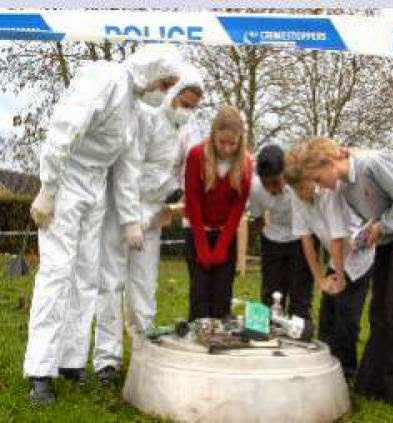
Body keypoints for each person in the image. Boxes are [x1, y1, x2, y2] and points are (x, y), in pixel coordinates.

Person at [24, 43, 183, 404]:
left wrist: (130, 221)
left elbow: (126, 166)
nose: (164, 91)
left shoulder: (134, 105)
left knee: (86, 274)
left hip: (94, 187)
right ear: (153, 73)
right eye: (165, 83)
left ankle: (70, 361)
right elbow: (64, 129)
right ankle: (39, 369)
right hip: (67, 180)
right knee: (57, 271)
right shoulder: (106, 79)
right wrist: (48, 188)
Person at [287, 137, 393, 404]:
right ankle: (372, 381)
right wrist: (369, 231)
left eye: (318, 178)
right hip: (385, 237)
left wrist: (382, 226)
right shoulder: (345, 188)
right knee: (378, 310)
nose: (319, 186)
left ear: (328, 163)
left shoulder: (372, 164)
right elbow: (373, 211)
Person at [89, 66, 204, 385]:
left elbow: (181, 172)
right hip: (121, 213)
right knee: (111, 283)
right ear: (172, 93)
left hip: (153, 217)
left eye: (194, 105)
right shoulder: (144, 118)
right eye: (185, 101)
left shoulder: (188, 129)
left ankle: (143, 352)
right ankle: (107, 361)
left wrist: (170, 203)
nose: (188, 109)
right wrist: (129, 219)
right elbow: (128, 170)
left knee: (144, 285)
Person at [284, 161, 374, 381]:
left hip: (357, 258)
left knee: (346, 319)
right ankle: (325, 368)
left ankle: (347, 374)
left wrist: (341, 278)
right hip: (337, 260)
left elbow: (336, 238)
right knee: (327, 318)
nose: (301, 192)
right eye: (295, 189)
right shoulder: (296, 197)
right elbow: (306, 241)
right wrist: (320, 280)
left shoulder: (328, 194)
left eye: (303, 186)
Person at [184, 105, 253, 321]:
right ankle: (197, 341)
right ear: (213, 135)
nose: (226, 148)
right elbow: (193, 202)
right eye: (222, 142)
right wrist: (203, 248)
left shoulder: (246, 163)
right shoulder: (196, 155)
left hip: (226, 232)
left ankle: (220, 344)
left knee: (222, 291)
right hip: (197, 231)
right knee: (200, 290)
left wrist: (222, 246)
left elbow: (237, 209)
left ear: (240, 140)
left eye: (232, 143)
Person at [248, 144, 314, 320]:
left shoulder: (299, 183)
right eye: (266, 184)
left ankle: (299, 336)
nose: (271, 189)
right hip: (272, 240)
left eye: (276, 182)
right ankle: (268, 335)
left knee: (300, 295)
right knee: (271, 295)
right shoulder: (254, 188)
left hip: (302, 238)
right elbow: (257, 218)